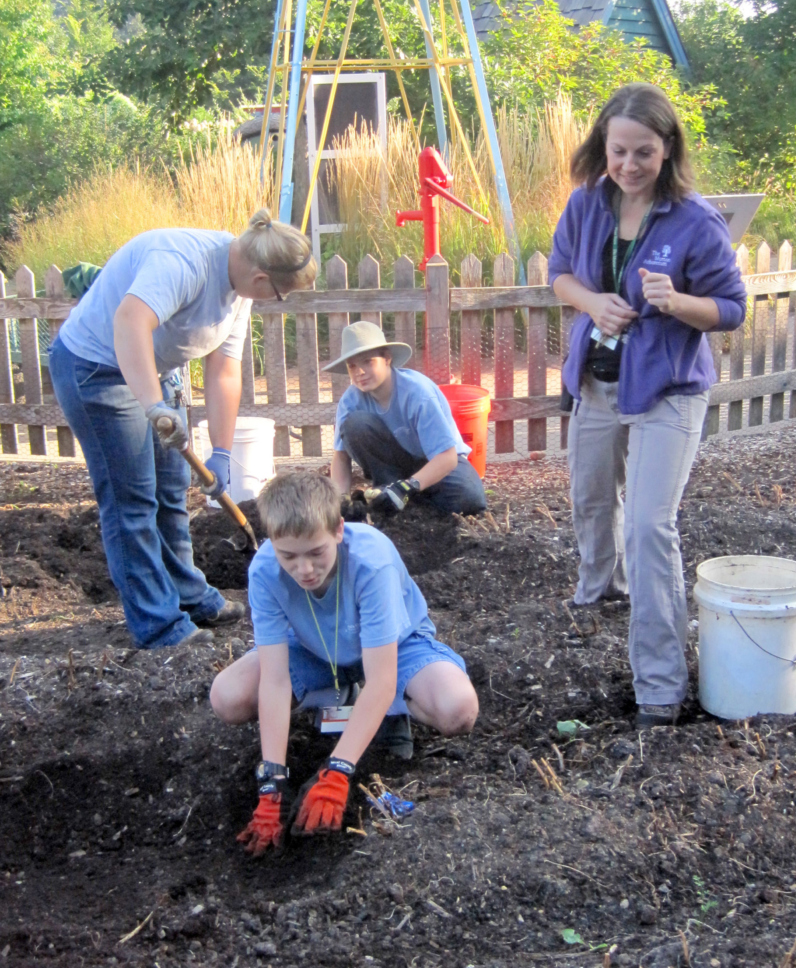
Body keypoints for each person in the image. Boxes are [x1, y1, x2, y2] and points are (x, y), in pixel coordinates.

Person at [548, 83, 747, 730]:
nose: (629, 165)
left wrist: (676, 303)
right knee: (591, 498)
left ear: (668, 151)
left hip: (667, 391)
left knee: (648, 527)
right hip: (599, 382)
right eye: (619, 151)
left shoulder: (695, 221)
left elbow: (731, 309)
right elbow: (559, 276)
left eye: (644, 153)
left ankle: (660, 688)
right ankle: (600, 589)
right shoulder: (587, 204)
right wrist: (592, 303)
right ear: (601, 147)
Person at [49, 209, 316, 649]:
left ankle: (189, 596)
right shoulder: (183, 261)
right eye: (282, 294)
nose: (277, 301)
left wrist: (223, 451)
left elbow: (225, 370)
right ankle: (158, 624)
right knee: (131, 501)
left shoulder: (240, 289)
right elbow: (130, 322)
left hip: (156, 370)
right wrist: (154, 406)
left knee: (170, 492)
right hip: (96, 368)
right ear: (262, 276)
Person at [209, 471, 478, 851]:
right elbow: (273, 679)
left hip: (394, 649)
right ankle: (344, 695)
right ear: (271, 542)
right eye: (289, 556)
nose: (304, 569)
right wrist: (272, 784)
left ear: (337, 530)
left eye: (316, 552)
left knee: (458, 709)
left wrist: (338, 771)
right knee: (228, 695)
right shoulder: (265, 572)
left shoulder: (372, 562)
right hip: (315, 650)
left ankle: (390, 713)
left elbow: (382, 678)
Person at [324, 321, 486, 516]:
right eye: (352, 366)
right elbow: (340, 457)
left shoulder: (418, 393)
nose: (360, 372)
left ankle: (401, 498)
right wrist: (340, 499)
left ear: (387, 359)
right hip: (393, 468)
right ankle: (390, 496)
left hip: (437, 462)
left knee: (470, 499)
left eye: (368, 362)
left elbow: (447, 457)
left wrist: (408, 487)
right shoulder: (349, 402)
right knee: (356, 424)